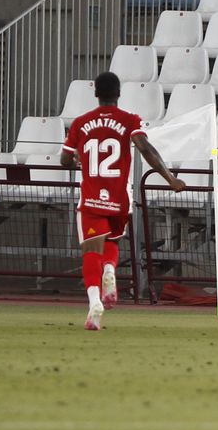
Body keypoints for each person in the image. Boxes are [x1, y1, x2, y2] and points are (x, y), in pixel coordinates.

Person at [59, 72, 186, 331]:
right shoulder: (130, 120)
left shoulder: (80, 123)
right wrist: (170, 177)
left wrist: (77, 161)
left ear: (96, 93)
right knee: (113, 242)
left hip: (92, 198)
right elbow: (146, 149)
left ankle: (95, 301)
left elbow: (64, 159)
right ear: (118, 94)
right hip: (119, 198)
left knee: (91, 250)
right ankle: (109, 270)